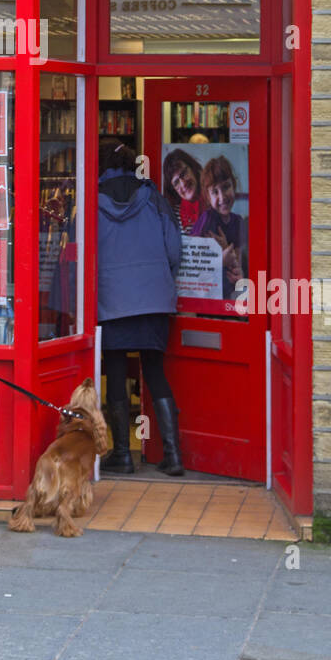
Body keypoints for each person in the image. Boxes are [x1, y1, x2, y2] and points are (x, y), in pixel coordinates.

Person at [97, 141, 185, 476]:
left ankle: (122, 455)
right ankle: (173, 456)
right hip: (154, 299)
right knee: (155, 371)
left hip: (111, 300)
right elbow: (174, 252)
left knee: (116, 374)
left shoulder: (92, 202)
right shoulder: (156, 200)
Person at [191, 155, 248, 300]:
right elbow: (193, 268)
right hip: (210, 297)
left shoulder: (239, 221)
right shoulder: (207, 220)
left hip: (232, 294)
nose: (222, 198)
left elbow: (238, 262)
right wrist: (221, 260)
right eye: (215, 192)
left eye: (226, 187)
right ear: (207, 197)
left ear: (233, 185)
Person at [162, 148, 203, 234]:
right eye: (176, 182)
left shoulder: (215, 201)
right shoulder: (171, 215)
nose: (183, 183)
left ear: (193, 169)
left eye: (184, 173)